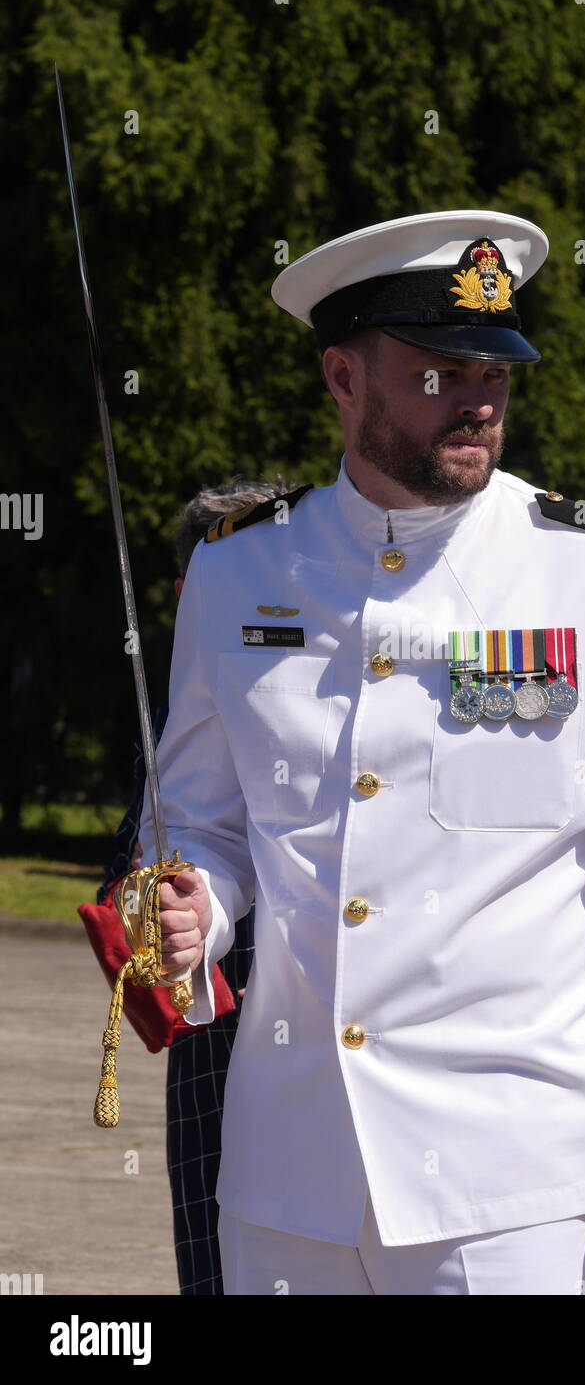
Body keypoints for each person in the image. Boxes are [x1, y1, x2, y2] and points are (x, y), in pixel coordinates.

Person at [140, 210, 585, 1296]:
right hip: (290, 1172)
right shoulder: (237, 574)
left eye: (495, 372)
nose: (478, 400)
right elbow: (198, 823)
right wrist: (191, 903)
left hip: (520, 1181)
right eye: (437, 373)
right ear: (341, 376)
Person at [101, 478, 288, 1293]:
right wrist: (165, 909)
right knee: (220, 1262)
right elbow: (134, 866)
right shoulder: (179, 698)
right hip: (220, 1013)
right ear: (196, 587)